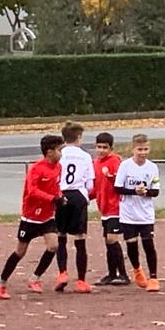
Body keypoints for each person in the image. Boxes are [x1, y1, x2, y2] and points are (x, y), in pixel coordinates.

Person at [0, 135, 64, 300]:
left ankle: (35, 278)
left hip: (47, 217)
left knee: (53, 245)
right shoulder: (37, 169)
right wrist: (52, 199)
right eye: (59, 150)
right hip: (31, 217)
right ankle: (1, 281)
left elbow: (55, 187)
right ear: (49, 152)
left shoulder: (58, 167)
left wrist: (60, 197)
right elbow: (32, 191)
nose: (62, 153)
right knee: (20, 251)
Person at [114, 133, 161, 291]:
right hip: (128, 214)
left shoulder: (152, 167)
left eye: (145, 149)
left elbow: (156, 191)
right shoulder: (125, 166)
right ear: (133, 149)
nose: (143, 153)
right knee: (132, 245)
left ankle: (153, 277)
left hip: (146, 214)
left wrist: (145, 192)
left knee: (148, 244)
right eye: (140, 149)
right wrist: (134, 191)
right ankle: (137, 269)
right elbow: (118, 188)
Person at [55, 121, 95, 293]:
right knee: (80, 238)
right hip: (78, 196)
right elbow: (90, 185)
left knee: (60, 236)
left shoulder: (59, 154)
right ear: (79, 137)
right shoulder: (85, 156)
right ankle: (81, 281)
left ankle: (62, 273)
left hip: (61, 195)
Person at [91, 132, 128, 285]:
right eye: (99, 147)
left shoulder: (115, 161)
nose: (101, 150)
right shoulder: (95, 163)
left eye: (105, 147)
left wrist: (112, 179)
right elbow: (95, 187)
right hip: (104, 207)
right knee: (108, 241)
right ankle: (112, 273)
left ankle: (123, 274)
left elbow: (121, 183)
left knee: (112, 239)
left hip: (115, 207)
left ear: (111, 148)